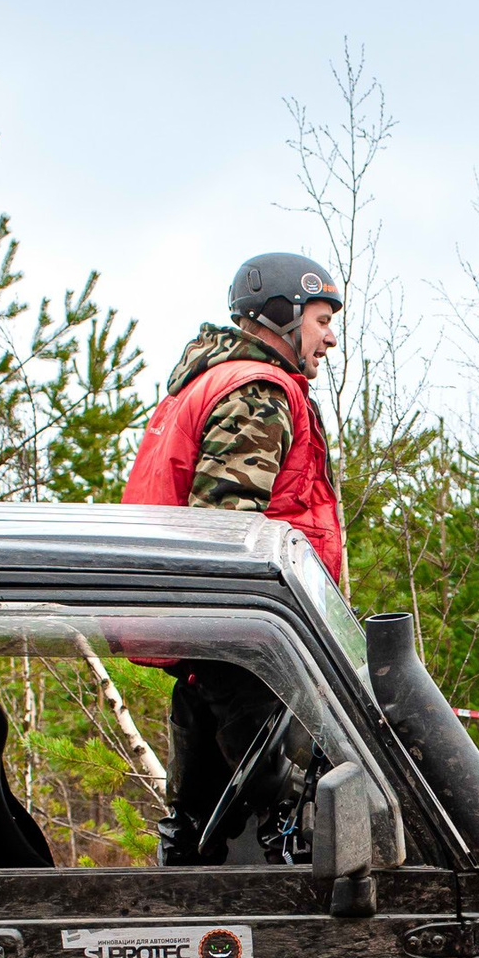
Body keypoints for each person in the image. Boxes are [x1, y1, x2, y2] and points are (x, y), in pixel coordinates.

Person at [122, 252, 343, 866]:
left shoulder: (209, 382)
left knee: (200, 825)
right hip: (245, 641)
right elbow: (227, 536)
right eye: (321, 319)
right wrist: (275, 641)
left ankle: (186, 916)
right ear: (280, 314)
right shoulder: (257, 391)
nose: (329, 337)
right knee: (293, 827)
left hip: (208, 635)